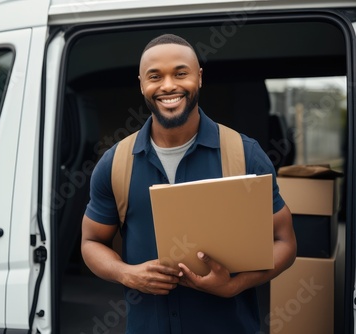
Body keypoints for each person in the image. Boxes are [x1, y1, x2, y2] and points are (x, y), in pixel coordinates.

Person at [81, 33, 297, 334]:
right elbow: (91, 242)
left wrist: (235, 285)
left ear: (199, 77)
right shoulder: (115, 163)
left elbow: (285, 242)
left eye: (180, 73)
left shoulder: (244, 154)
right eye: (155, 76)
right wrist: (126, 273)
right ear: (142, 84)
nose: (168, 85)